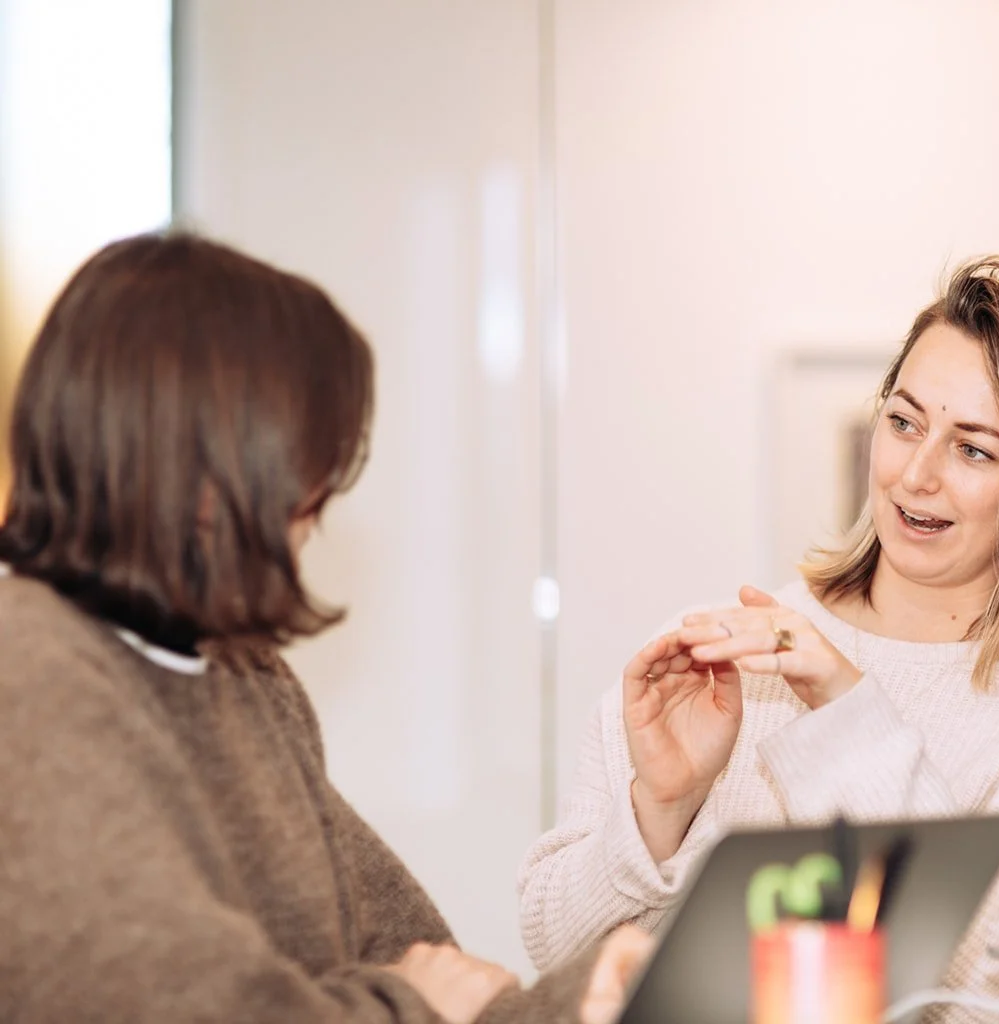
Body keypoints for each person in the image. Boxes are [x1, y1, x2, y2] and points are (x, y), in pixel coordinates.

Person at [0, 232, 650, 1024]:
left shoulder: (248, 678)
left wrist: (595, 997)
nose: (320, 502)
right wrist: (406, 1001)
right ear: (209, 464)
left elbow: (432, 974)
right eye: (306, 465)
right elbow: (186, 1005)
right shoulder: (29, 673)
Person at [518, 256, 999, 1019]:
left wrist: (847, 718)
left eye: (973, 449)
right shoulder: (720, 657)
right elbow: (556, 959)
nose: (915, 474)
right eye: (903, 422)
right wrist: (660, 809)